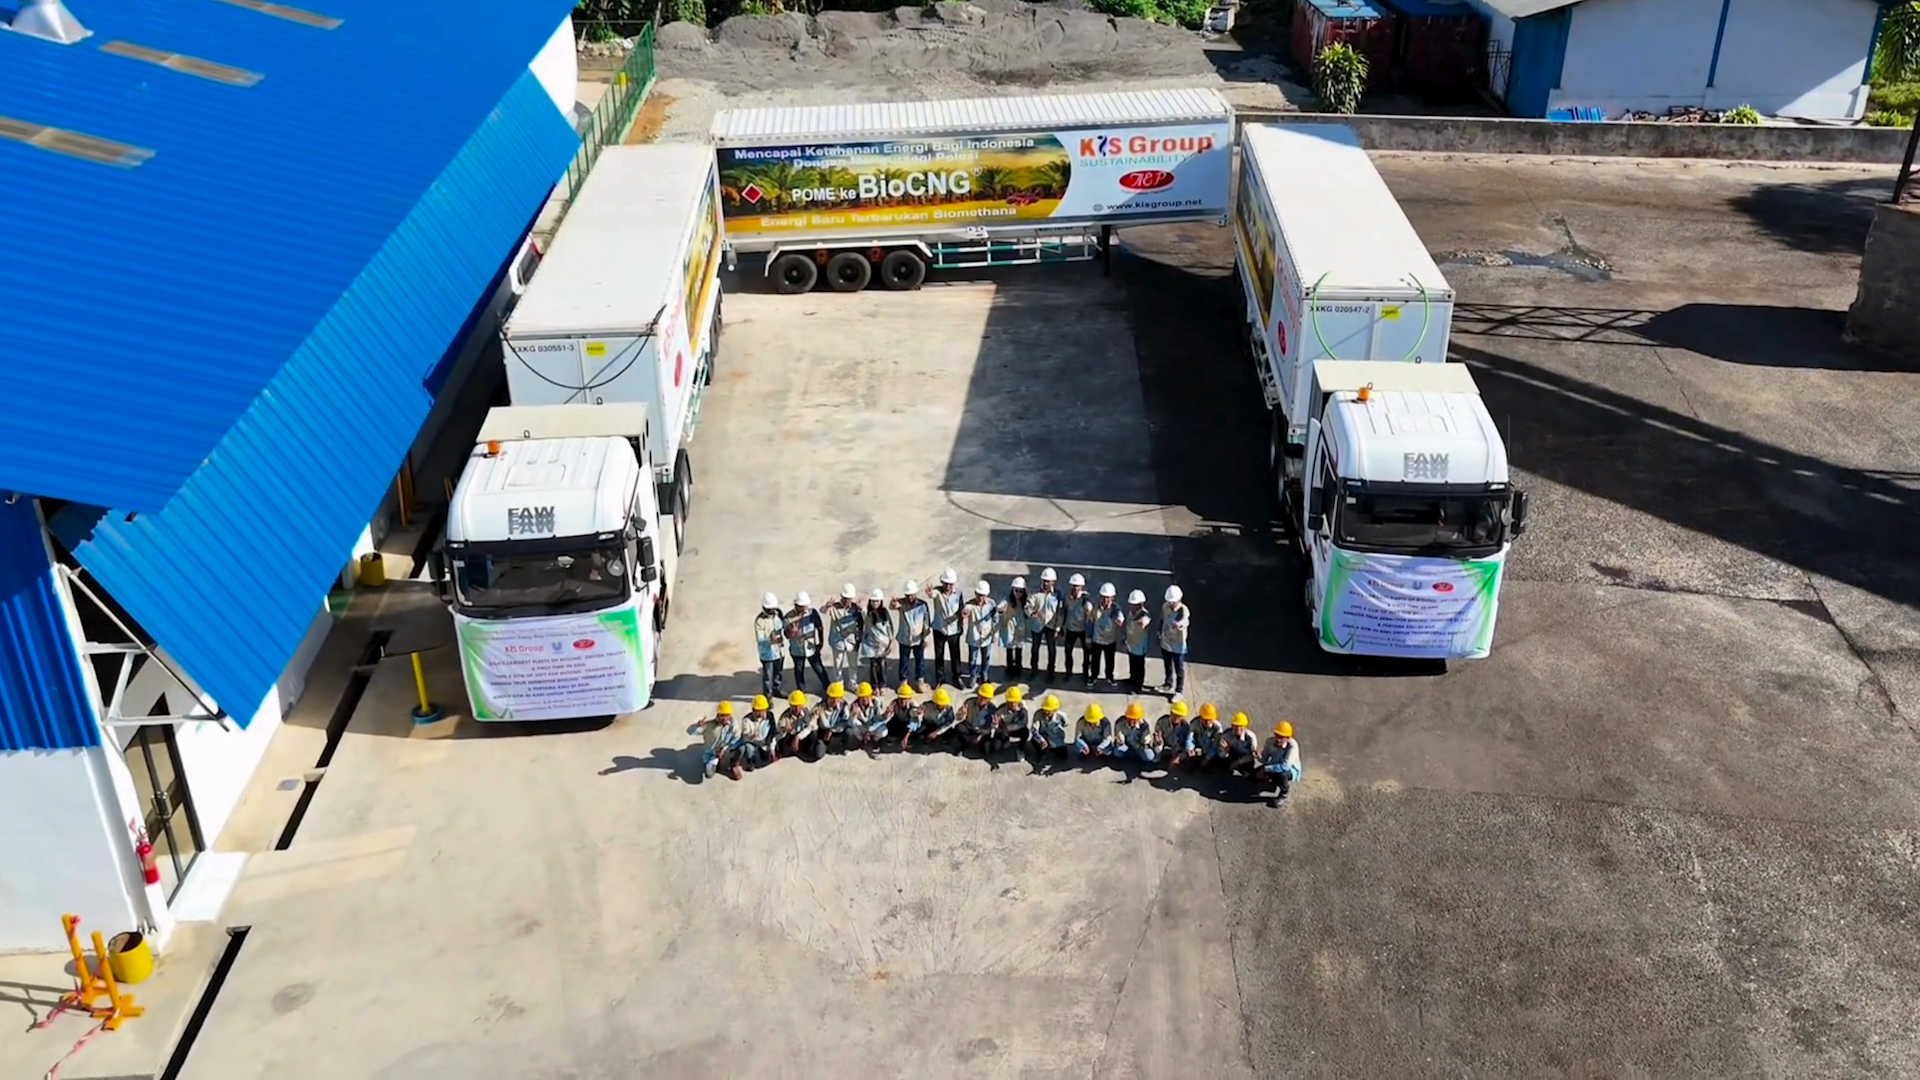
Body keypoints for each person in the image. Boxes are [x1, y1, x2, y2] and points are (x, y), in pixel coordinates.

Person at [785, 591, 829, 693]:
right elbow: (786, 635)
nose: (804, 609)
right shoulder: (788, 617)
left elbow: (820, 627)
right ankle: (801, 691)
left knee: (819, 668)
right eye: (801, 607)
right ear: (796, 605)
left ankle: (827, 687)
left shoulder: (812, 613)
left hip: (811, 648)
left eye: (805, 606)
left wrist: (821, 642)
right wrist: (792, 633)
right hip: (797, 650)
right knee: (799, 670)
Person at [892, 581, 932, 692]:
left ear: (916, 594)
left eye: (912, 595)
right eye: (908, 595)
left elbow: (926, 622)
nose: (910, 598)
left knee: (920, 661)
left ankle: (920, 680)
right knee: (904, 661)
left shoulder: (922, 605)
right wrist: (893, 603)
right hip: (904, 638)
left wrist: (925, 638)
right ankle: (903, 681)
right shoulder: (901, 604)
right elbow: (893, 606)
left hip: (918, 639)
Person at [928, 569, 965, 688]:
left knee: (955, 654)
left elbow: (961, 608)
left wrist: (961, 623)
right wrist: (929, 593)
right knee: (939, 654)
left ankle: (957, 676)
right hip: (939, 628)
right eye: (945, 583)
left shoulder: (958, 593)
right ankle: (940, 678)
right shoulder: (937, 592)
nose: (948, 586)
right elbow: (932, 594)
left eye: (950, 584)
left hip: (954, 629)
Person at [687, 700, 739, 780]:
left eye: (727, 715)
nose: (724, 718)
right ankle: (716, 764)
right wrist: (697, 726)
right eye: (722, 715)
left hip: (726, 751)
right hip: (712, 753)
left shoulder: (733, 724)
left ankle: (732, 765)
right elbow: (690, 732)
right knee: (709, 774)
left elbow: (737, 737)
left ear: (730, 715)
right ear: (718, 715)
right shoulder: (708, 725)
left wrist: (725, 748)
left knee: (739, 749)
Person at [826, 584, 863, 688]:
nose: (848, 601)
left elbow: (861, 623)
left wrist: (858, 639)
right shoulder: (834, 607)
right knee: (838, 664)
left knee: (853, 664)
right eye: (846, 599)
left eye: (850, 599)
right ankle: (838, 684)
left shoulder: (856, 608)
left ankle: (853, 683)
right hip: (837, 641)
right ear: (842, 597)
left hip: (851, 641)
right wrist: (826, 606)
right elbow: (823, 611)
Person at [1029, 568, 1064, 678]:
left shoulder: (1058, 595)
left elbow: (1060, 612)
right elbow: (1028, 605)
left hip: (1051, 625)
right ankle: (1034, 669)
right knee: (1035, 648)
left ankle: (1050, 672)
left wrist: (1058, 628)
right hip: (1037, 625)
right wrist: (1031, 613)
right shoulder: (1035, 593)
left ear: (1053, 582)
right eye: (1044, 580)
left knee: (1051, 649)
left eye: (1048, 581)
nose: (1045, 583)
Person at [962, 580, 997, 689]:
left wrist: (995, 633)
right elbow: (966, 609)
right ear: (975, 593)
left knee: (986, 657)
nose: (980, 598)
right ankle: (973, 676)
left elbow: (995, 619)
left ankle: (984, 675)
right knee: (973, 658)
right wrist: (965, 613)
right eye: (979, 595)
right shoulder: (970, 605)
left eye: (983, 595)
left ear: (987, 595)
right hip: (974, 637)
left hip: (986, 637)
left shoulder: (991, 605)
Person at [1088, 583, 1122, 688]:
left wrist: (1119, 619)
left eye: (1108, 598)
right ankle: (1093, 676)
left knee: (1110, 660)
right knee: (1095, 660)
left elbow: (1120, 617)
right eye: (1104, 597)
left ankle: (1109, 677)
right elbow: (1090, 622)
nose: (1106, 600)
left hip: (1110, 640)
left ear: (1112, 598)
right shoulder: (1095, 608)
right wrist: (1088, 638)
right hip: (1097, 639)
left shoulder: (1115, 609)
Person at [1158, 585, 1190, 696]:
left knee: (1179, 669)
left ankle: (1179, 691)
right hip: (1166, 642)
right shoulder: (1165, 606)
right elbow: (1162, 619)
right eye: (1170, 602)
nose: (1171, 604)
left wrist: (1180, 624)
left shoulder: (1183, 610)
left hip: (1178, 645)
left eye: (1173, 602)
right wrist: (1159, 633)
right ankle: (1168, 684)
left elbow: (1185, 621)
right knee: (1168, 666)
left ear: (1179, 600)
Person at [859, 588, 894, 692]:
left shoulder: (885, 613)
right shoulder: (867, 613)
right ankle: (874, 686)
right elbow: (863, 612)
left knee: (882, 665)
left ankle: (882, 685)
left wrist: (891, 642)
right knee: (873, 666)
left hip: (883, 644)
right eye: (873, 601)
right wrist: (861, 606)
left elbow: (889, 627)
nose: (875, 603)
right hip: (871, 644)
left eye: (877, 601)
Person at [1259, 721, 1302, 801]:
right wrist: (1258, 756)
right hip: (1274, 764)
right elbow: (1264, 758)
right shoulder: (1269, 742)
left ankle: (1284, 793)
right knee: (1254, 776)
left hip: (1289, 770)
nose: (1278, 739)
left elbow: (1285, 766)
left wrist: (1266, 769)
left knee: (1282, 775)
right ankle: (1273, 782)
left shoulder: (1292, 746)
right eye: (1277, 735)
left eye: (1281, 737)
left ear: (1288, 738)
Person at [998, 578, 1032, 681]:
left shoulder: (1026, 600)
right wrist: (1000, 608)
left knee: (1018, 648)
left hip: (1020, 627)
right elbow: (1002, 604)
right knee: (1009, 648)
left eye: (1020, 591)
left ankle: (1018, 668)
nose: (1018, 593)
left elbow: (1030, 608)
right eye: (1016, 590)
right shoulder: (1008, 599)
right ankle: (1009, 668)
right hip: (1010, 625)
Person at [1060, 573, 1092, 682]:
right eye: (1073, 586)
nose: (1075, 588)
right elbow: (1063, 612)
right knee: (1068, 652)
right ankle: (1068, 672)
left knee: (1087, 653)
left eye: (1077, 586)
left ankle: (1085, 673)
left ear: (1081, 587)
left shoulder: (1085, 598)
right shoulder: (1067, 598)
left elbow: (1090, 609)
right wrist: (1061, 627)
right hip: (1070, 629)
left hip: (1083, 630)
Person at [777, 690, 824, 762]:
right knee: (784, 748)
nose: (797, 709)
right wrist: (784, 730)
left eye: (799, 706)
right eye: (794, 706)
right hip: (791, 737)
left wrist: (798, 737)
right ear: (790, 705)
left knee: (813, 736)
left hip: (802, 736)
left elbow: (811, 727)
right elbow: (777, 735)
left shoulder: (807, 712)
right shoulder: (785, 717)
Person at [987, 685, 1029, 766]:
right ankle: (1005, 741)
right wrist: (995, 725)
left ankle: (1020, 749)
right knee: (996, 747)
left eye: (1014, 701)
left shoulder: (1023, 709)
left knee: (1025, 732)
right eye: (1010, 701)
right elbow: (995, 725)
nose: (1012, 704)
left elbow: (1023, 722)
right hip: (1003, 731)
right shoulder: (1000, 709)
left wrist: (1009, 727)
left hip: (1015, 729)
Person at [754, 594, 786, 700]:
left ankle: (777, 690)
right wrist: (770, 640)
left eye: (773, 609)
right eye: (770, 609)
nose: (772, 611)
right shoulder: (759, 621)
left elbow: (783, 628)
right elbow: (760, 639)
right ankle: (768, 697)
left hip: (779, 651)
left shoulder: (779, 615)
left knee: (778, 672)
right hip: (767, 653)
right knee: (768, 676)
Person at [737, 694, 778, 776]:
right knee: (748, 747)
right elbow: (745, 737)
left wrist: (771, 747)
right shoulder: (746, 721)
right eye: (757, 710)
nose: (760, 713)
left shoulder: (770, 716)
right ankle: (750, 759)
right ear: (753, 710)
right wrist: (751, 736)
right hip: (753, 743)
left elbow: (773, 732)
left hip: (765, 742)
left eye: (762, 710)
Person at [1122, 589, 1153, 694]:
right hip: (1131, 644)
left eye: (1135, 604)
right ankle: (1132, 679)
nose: (1132, 606)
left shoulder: (1144, 614)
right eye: (1131, 604)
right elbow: (1128, 625)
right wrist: (1125, 637)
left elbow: (1147, 620)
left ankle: (1138, 686)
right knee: (1132, 663)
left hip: (1140, 646)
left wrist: (1143, 623)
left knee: (1139, 666)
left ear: (1140, 604)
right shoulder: (1131, 613)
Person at [1029, 694, 1071, 769]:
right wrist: (1041, 740)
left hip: (1055, 738)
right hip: (1043, 736)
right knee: (1034, 741)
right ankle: (1040, 753)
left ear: (1055, 709)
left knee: (1063, 756)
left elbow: (1066, 724)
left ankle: (1053, 749)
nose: (1046, 712)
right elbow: (1034, 729)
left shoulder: (1062, 716)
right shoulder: (1038, 714)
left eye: (1049, 710)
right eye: (1045, 709)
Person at [1152, 700, 1195, 770]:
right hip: (1164, 741)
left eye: (1179, 716)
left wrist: (1178, 757)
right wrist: (1158, 740)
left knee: (1186, 753)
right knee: (1157, 747)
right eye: (1175, 714)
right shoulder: (1162, 721)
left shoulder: (1185, 726)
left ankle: (1175, 759)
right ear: (1171, 713)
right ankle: (1157, 758)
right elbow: (1157, 732)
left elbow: (1186, 743)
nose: (1176, 718)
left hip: (1177, 746)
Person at [957, 682, 997, 754]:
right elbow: (957, 718)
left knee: (986, 751)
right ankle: (965, 743)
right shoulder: (969, 702)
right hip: (970, 727)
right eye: (980, 696)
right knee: (959, 728)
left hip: (982, 731)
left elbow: (991, 727)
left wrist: (980, 736)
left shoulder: (992, 709)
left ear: (989, 699)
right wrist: (961, 714)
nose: (982, 699)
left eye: (985, 698)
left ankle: (975, 741)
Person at [847, 682, 881, 758]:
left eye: (866, 696)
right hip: (862, 727)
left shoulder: (876, 702)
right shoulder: (854, 705)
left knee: (884, 730)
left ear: (870, 696)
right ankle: (860, 740)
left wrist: (869, 731)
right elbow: (850, 723)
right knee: (851, 728)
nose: (864, 699)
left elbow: (879, 719)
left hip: (872, 726)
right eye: (862, 697)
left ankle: (874, 740)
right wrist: (853, 715)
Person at [818, 681, 852, 754]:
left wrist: (832, 730)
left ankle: (843, 746)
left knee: (849, 731)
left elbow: (846, 722)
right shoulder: (820, 706)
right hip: (824, 733)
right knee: (819, 753)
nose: (834, 700)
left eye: (837, 698)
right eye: (832, 698)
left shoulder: (844, 706)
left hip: (836, 730)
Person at [1223, 712, 1259, 777]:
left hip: (1245, 758)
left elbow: (1252, 755)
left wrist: (1238, 762)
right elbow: (1220, 753)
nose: (1238, 729)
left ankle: (1242, 770)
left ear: (1245, 727)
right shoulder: (1226, 735)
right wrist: (1225, 752)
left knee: (1250, 774)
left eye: (1241, 726)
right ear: (1232, 726)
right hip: (1232, 755)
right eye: (1236, 726)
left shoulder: (1251, 737)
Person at [1194, 702, 1229, 770]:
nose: (1207, 722)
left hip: (1211, 749)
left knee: (1221, 753)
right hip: (1200, 745)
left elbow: (1215, 745)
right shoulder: (1195, 723)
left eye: (1209, 720)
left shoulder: (1217, 727)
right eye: (1205, 720)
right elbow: (1189, 737)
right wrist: (1190, 749)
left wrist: (1207, 759)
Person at [887, 683, 921, 750]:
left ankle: (908, 738)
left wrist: (906, 736)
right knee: (891, 722)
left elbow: (913, 722)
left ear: (909, 698)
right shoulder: (894, 703)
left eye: (905, 699)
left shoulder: (914, 705)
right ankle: (893, 735)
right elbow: (886, 719)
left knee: (916, 727)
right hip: (898, 722)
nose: (902, 701)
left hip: (908, 724)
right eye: (901, 698)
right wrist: (887, 712)